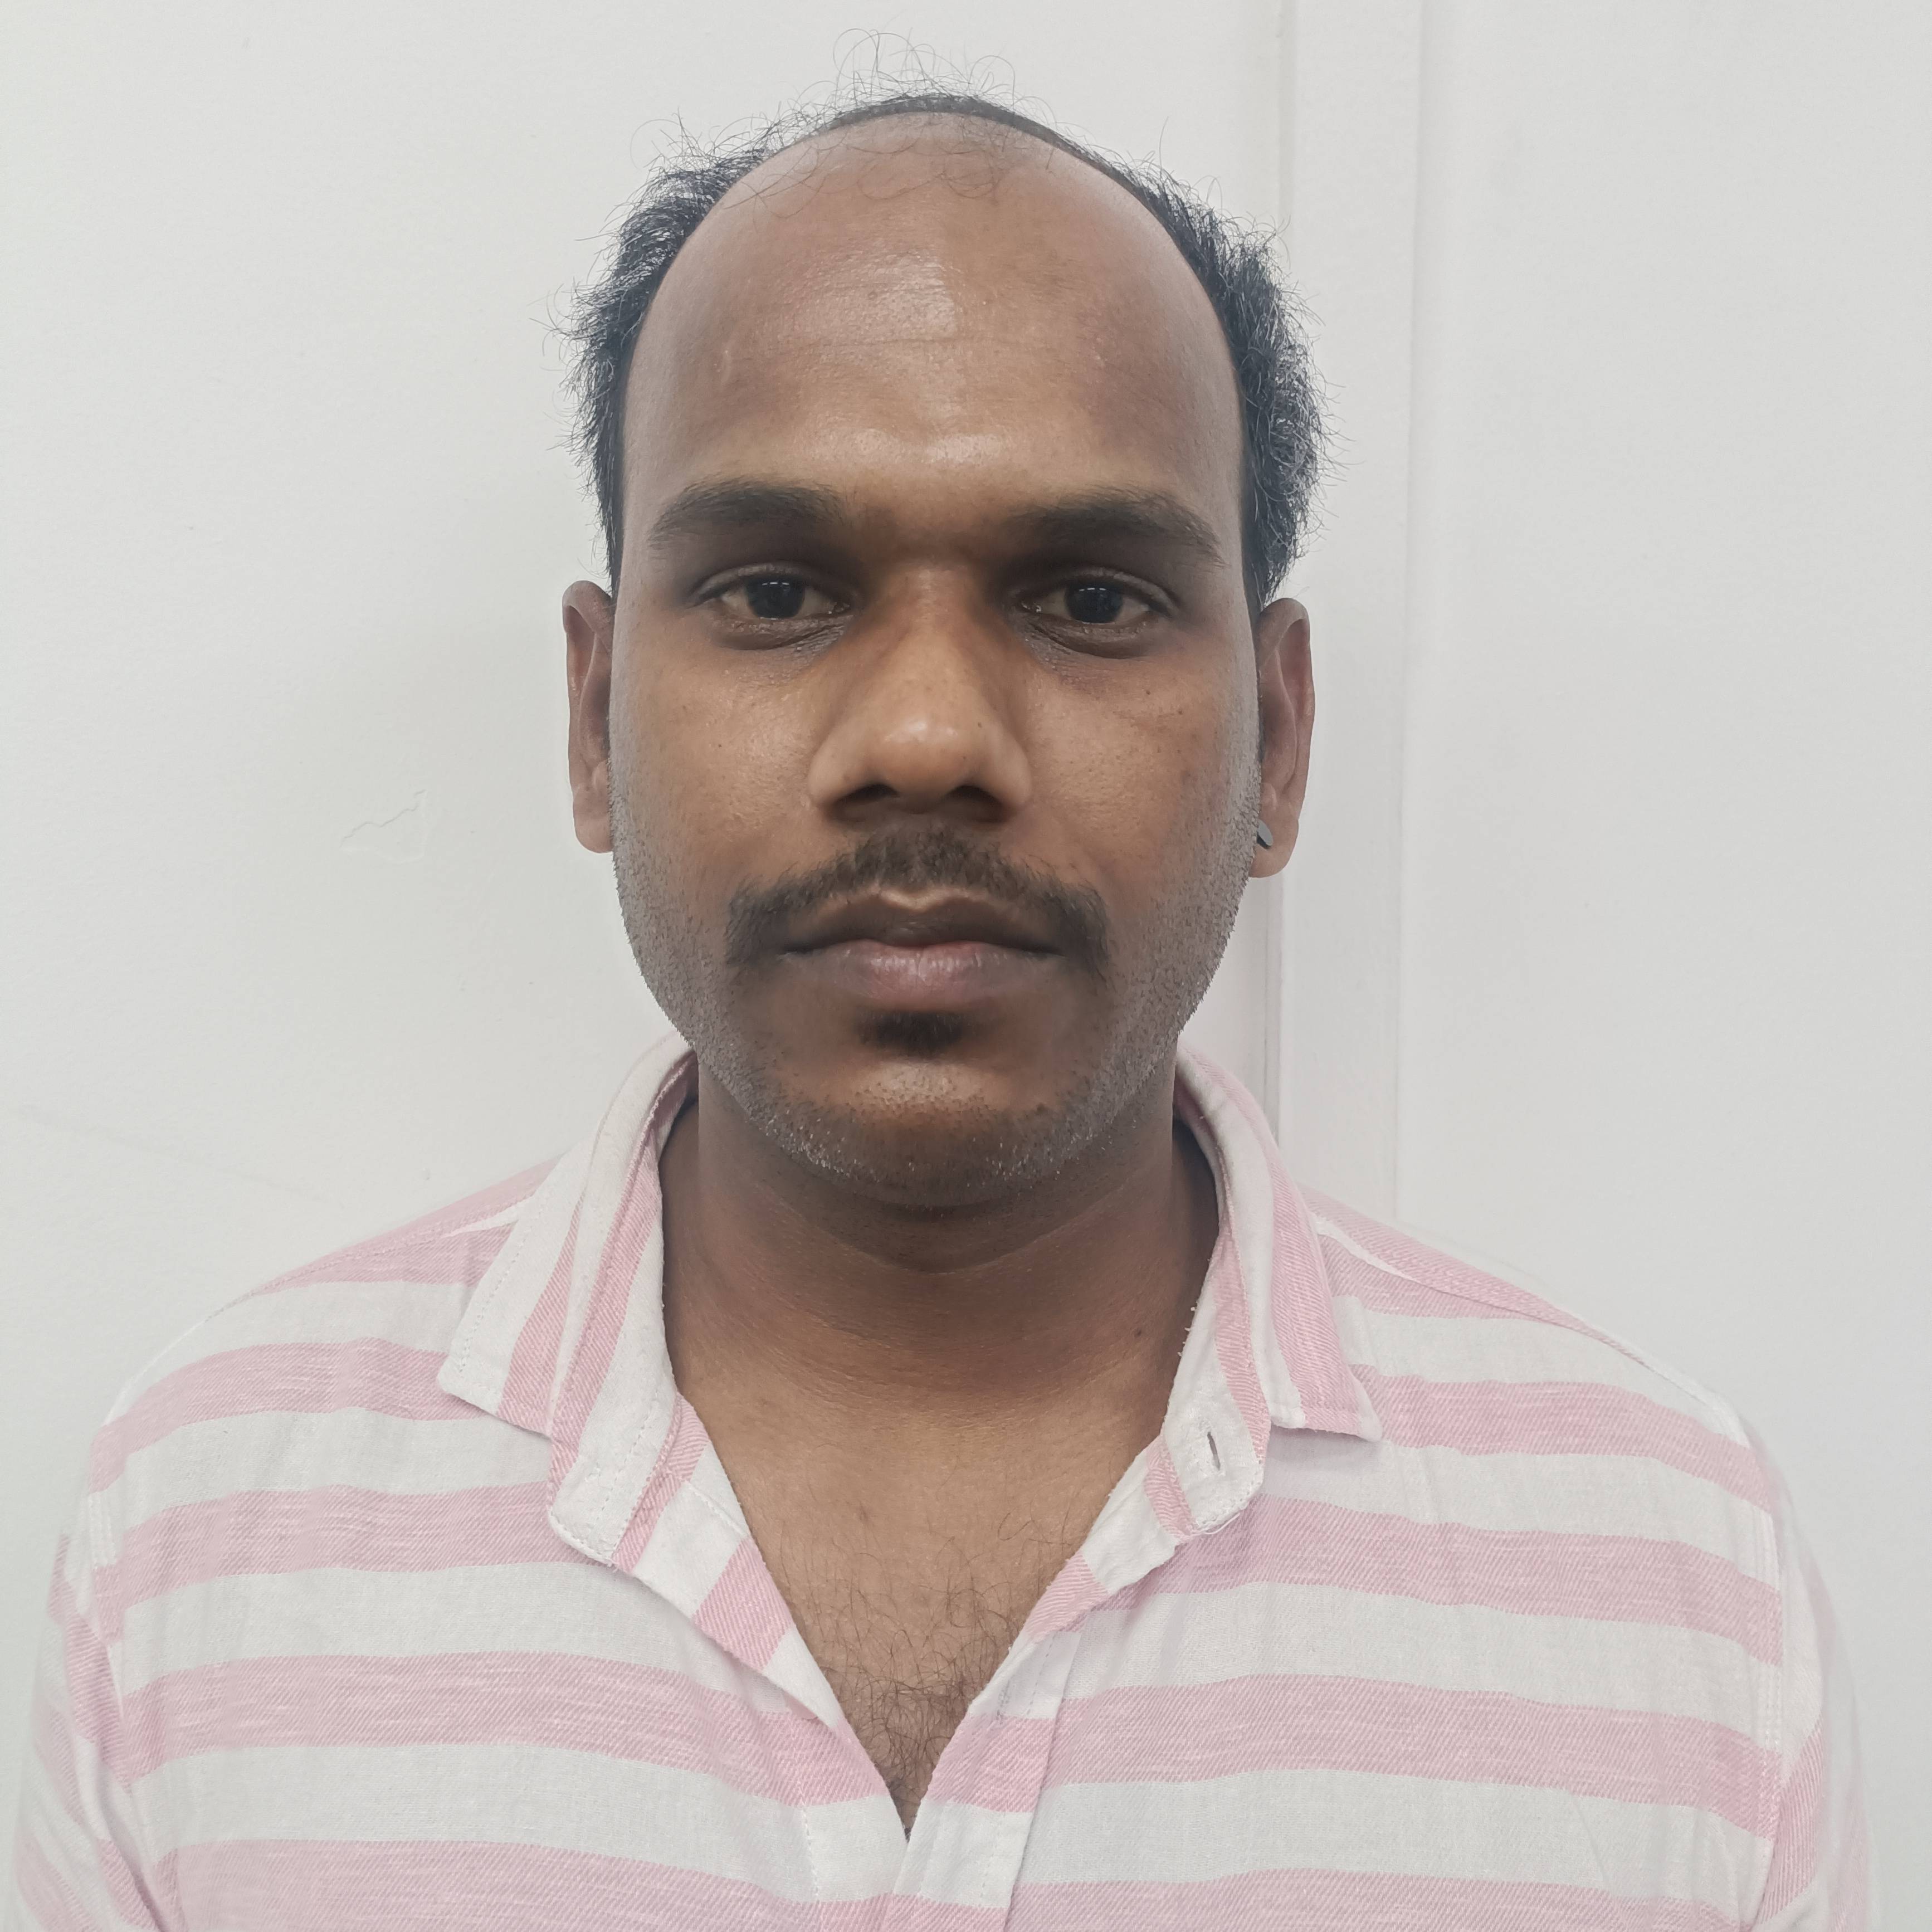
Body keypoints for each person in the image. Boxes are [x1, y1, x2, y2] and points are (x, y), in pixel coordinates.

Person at [7, 87, 1867, 1932]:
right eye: (774, 590)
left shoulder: (1673, 1594)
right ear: (593, 719)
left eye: (1088, 598)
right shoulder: (207, 1535)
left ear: (1277, 740)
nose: (921, 736)